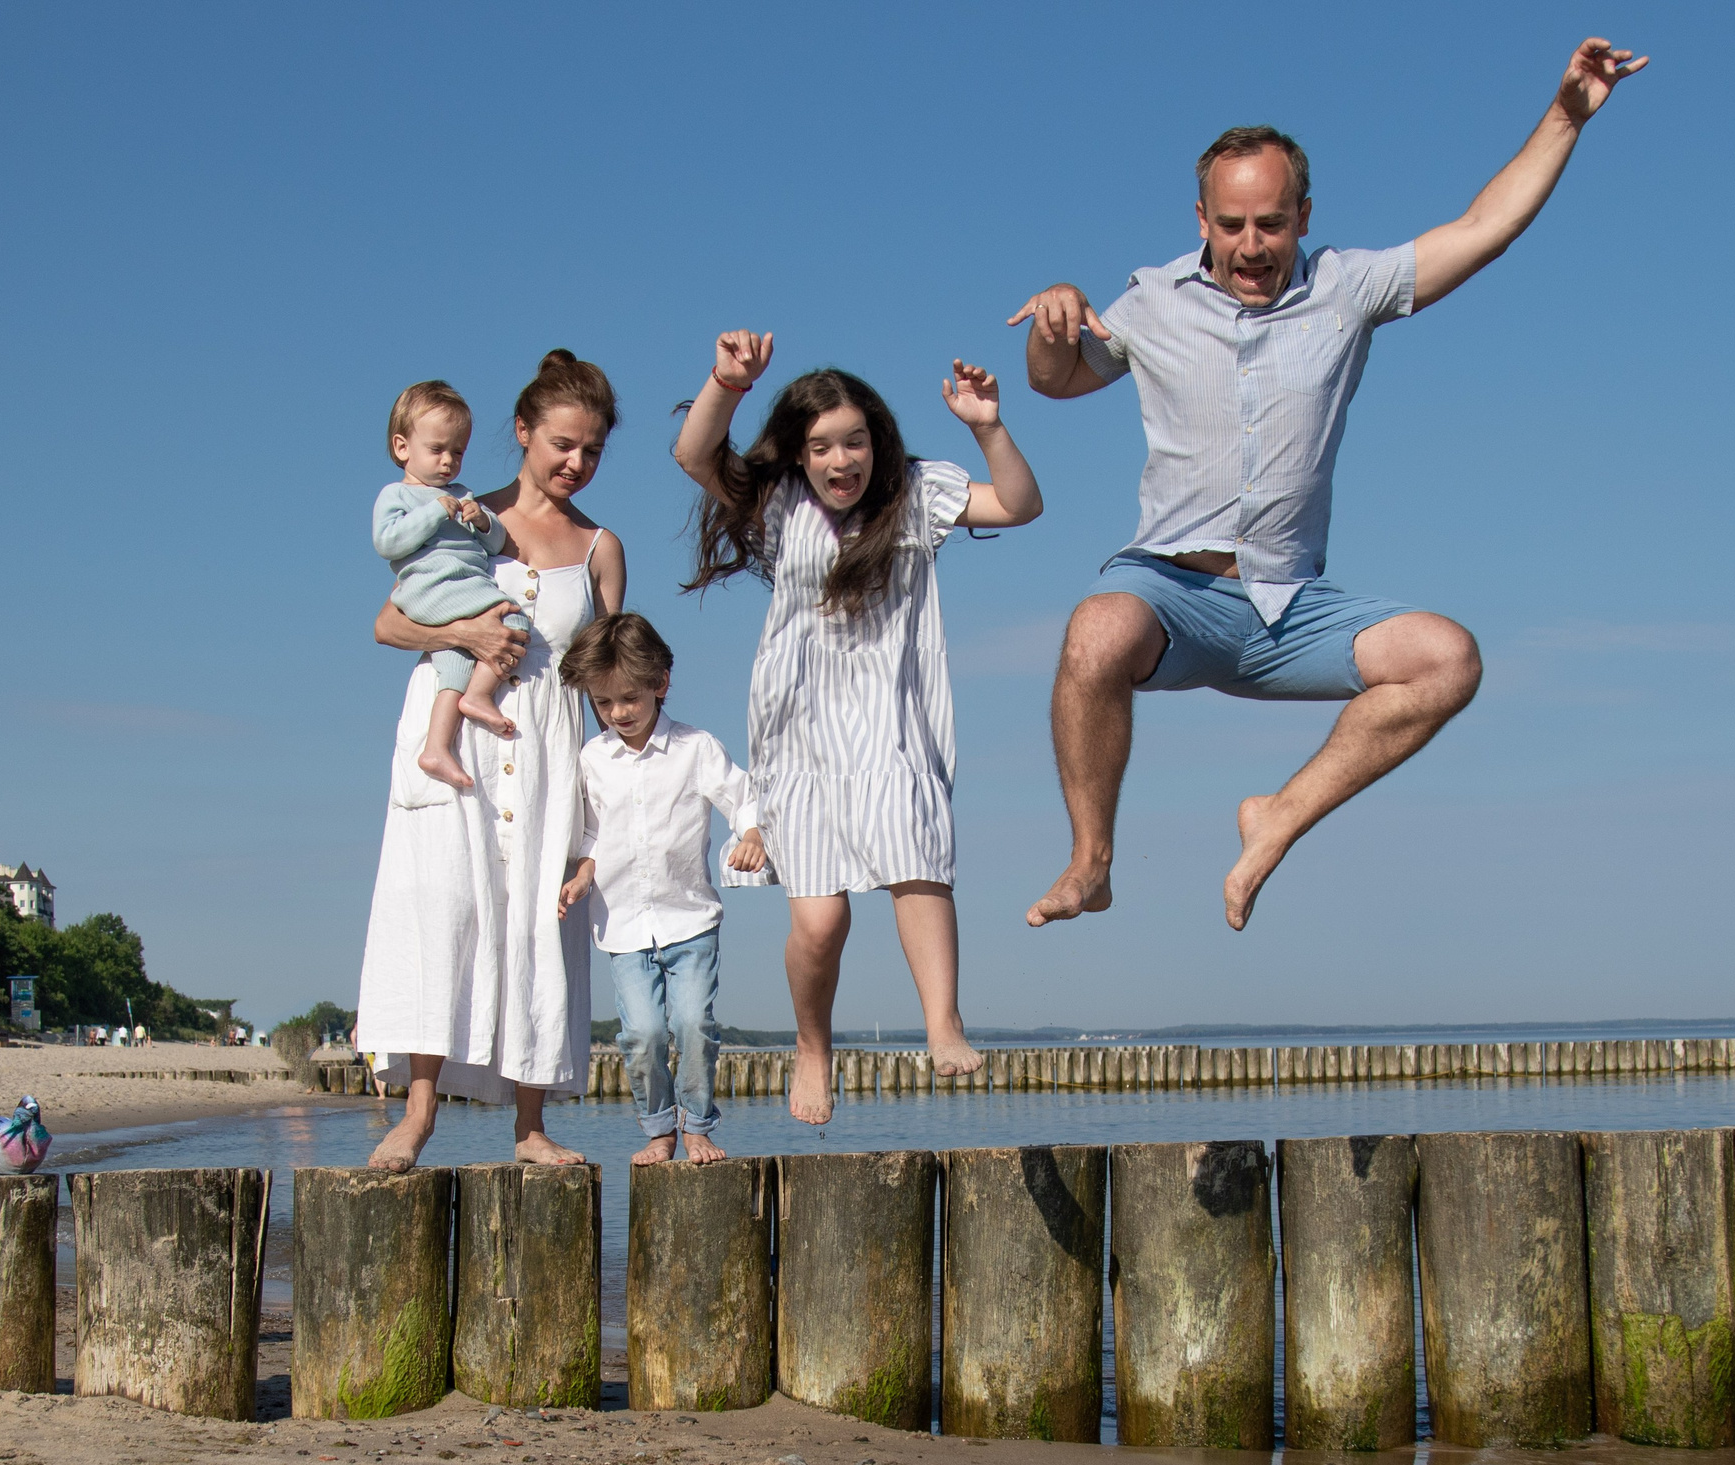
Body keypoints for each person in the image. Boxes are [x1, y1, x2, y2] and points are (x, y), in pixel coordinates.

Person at [1013, 37, 1648, 932]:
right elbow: (1057, 378)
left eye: (1270, 223)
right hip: (1173, 592)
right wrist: (1054, 316)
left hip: (1290, 606)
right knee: (1094, 630)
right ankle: (1092, 862)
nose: (1251, 245)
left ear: (1304, 216)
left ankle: (1276, 818)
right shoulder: (1153, 299)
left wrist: (1566, 116)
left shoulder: (1347, 289)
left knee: (1448, 658)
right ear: (1200, 218)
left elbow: (1483, 229)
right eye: (1231, 225)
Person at [674, 332, 1042, 1126]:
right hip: (799, 734)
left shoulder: (916, 493)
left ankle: (943, 1022)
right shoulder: (781, 506)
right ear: (800, 456)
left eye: (855, 441)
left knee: (918, 865)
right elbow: (694, 453)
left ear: (877, 440)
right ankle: (813, 1047)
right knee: (821, 920)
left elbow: (1018, 503)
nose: (842, 460)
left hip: (893, 720)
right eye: (822, 447)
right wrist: (727, 383)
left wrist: (987, 427)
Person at [354, 350, 629, 1170]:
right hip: (456, 737)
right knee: (443, 913)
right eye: (562, 444)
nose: (575, 464)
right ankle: (418, 1114)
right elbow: (388, 623)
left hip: (547, 743)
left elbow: (607, 675)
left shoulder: (600, 547)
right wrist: (463, 635)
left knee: (537, 925)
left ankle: (531, 1126)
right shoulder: (462, 514)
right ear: (523, 432)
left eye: (591, 452)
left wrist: (618, 789)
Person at [555, 613, 767, 1166]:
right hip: (622, 922)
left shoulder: (696, 747)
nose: (618, 712)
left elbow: (742, 796)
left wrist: (750, 833)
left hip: (689, 917)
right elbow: (593, 831)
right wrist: (581, 874)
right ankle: (658, 1129)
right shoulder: (592, 760)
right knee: (644, 1033)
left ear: (660, 683)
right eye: (603, 703)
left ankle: (696, 1124)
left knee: (693, 1023)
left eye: (629, 697)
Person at [373, 381, 527, 790]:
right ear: (403, 447)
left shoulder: (461, 495)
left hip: (461, 586)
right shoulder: (399, 495)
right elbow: (387, 542)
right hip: (432, 587)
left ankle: (437, 747)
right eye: (437, 449)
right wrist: (434, 515)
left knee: (455, 661)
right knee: (513, 620)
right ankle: (478, 698)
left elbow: (496, 543)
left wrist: (482, 520)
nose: (448, 461)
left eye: (457, 452)